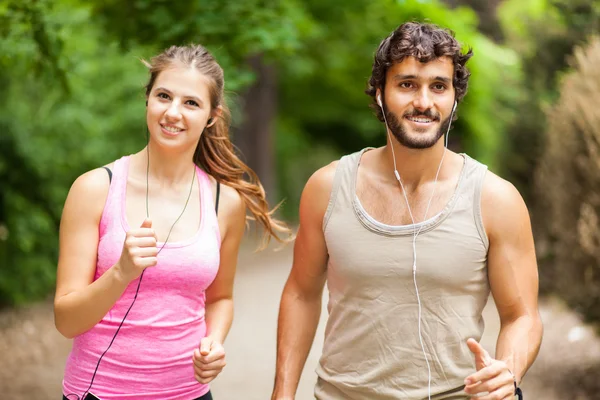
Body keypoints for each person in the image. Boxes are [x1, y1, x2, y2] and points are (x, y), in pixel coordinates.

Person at [272, 22, 542, 400]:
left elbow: (522, 315)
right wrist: (281, 395)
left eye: (438, 86)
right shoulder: (327, 187)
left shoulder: (496, 199)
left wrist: (507, 371)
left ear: (454, 98)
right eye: (407, 84)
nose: (424, 102)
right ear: (380, 94)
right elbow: (301, 293)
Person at [54, 44, 290, 400]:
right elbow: (66, 321)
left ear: (212, 115)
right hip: (99, 392)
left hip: (189, 394)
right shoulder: (95, 189)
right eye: (164, 96)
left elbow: (221, 297)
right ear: (147, 99)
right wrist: (120, 273)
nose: (173, 113)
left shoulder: (222, 202)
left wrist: (213, 341)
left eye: (191, 103)